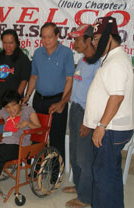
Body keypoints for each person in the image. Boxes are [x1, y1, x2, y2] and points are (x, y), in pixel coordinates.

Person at [83, 16, 134, 208]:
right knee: (110, 176)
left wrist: (101, 126)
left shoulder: (116, 63)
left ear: (108, 37)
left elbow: (116, 97)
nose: (94, 43)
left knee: (103, 178)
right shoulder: (113, 59)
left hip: (110, 129)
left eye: (96, 39)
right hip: (112, 128)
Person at [62, 25, 101, 208]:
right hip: (75, 110)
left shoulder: (98, 64)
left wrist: (90, 120)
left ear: (89, 40)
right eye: (74, 39)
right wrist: (62, 102)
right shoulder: (83, 60)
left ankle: (85, 198)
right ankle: (79, 187)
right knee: (75, 154)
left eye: (77, 39)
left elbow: (99, 96)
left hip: (87, 114)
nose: (74, 43)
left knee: (85, 158)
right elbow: (76, 88)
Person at [23, 22, 74, 160]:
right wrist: (27, 96)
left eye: (50, 37)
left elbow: (70, 79)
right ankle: (37, 168)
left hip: (58, 100)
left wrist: (62, 103)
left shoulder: (66, 53)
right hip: (39, 100)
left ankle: (56, 171)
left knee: (56, 137)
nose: (47, 40)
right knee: (38, 135)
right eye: (44, 37)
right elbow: (34, 77)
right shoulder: (38, 53)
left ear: (57, 36)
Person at [0, 29, 31, 133]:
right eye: (4, 43)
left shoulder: (23, 59)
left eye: (10, 43)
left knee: (8, 137)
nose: (7, 46)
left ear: (16, 43)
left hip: (12, 107)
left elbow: (24, 81)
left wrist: (15, 102)